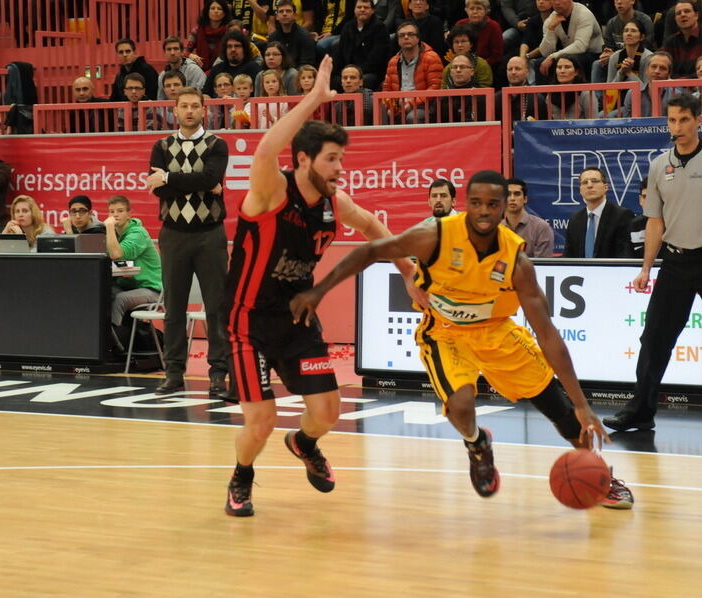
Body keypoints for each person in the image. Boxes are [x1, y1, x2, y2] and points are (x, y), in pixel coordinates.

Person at [289, 169, 634, 509]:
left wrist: (582, 403)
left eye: (493, 204)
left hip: (497, 332)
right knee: (461, 404)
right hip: (445, 333)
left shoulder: (517, 261)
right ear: (465, 204)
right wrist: (320, 290)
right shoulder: (434, 234)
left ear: (504, 209)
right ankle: (477, 443)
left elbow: (548, 334)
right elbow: (369, 251)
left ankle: (600, 476)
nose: (484, 211)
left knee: (558, 408)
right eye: (476, 203)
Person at [222, 56, 422, 517]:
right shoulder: (272, 190)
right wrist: (313, 98)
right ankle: (242, 477)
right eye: (331, 159)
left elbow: (373, 225)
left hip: (297, 320)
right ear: (304, 160)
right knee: (261, 421)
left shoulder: (336, 202)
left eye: (342, 159)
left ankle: (304, 443)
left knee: (328, 412)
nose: (339, 168)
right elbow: (265, 150)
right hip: (247, 321)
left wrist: (408, 273)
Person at [603, 93, 702, 439]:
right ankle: (641, 412)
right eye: (672, 121)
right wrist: (646, 268)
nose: (677, 127)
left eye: (684, 120)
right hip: (673, 263)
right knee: (654, 338)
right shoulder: (660, 165)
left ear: (698, 120)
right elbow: (655, 221)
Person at [147, 86, 231, 399]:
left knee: (216, 308)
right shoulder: (161, 145)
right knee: (174, 309)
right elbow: (158, 192)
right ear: (175, 110)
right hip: (173, 234)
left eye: (195, 106)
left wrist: (169, 178)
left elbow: (209, 178)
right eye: (184, 106)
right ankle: (173, 374)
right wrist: (197, 185)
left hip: (210, 234)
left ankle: (218, 375)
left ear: (204, 110)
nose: (190, 111)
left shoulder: (216, 145)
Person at [104, 195, 163, 332]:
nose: (115, 215)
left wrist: (109, 228)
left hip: (152, 289)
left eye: (120, 211)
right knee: (103, 293)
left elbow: (116, 254)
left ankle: (115, 342)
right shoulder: (114, 235)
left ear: (129, 214)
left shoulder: (138, 233)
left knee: (120, 299)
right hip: (129, 286)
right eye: (112, 212)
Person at [380, 21, 443, 124]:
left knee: (412, 117)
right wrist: (391, 105)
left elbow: (435, 87)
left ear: (418, 38)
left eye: (410, 34)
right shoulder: (393, 61)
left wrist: (412, 104)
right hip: (399, 105)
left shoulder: (431, 58)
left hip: (424, 105)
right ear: (398, 40)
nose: (406, 37)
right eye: (402, 35)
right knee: (379, 110)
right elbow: (386, 89)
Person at [563, 167, 634, 258]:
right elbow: (569, 255)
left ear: (606, 187)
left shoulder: (622, 216)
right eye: (585, 182)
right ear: (580, 190)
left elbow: (624, 255)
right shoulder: (575, 219)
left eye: (594, 181)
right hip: (579, 271)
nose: (589, 185)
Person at [536, 0, 603, 83]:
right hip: (568, 55)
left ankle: (581, 94)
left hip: (592, 54)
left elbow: (580, 46)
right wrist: (551, 29)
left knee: (572, 61)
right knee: (540, 63)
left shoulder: (584, 14)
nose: (557, 3)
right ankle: (546, 95)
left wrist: (553, 56)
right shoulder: (551, 19)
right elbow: (545, 52)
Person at [333, 0, 391, 90]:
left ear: (372, 11)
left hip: (370, 72)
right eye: (359, 7)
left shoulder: (380, 28)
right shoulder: (348, 27)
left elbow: (377, 59)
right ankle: (341, 104)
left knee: (365, 80)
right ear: (354, 10)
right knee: (335, 80)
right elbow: (340, 54)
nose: (362, 10)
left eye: (366, 7)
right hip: (348, 70)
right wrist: (344, 72)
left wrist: (356, 73)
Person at [659, 1, 702, 79]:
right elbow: (667, 70)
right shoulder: (671, 42)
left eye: (687, 11)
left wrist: (682, 81)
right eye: (678, 13)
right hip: (674, 87)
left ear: (696, 15)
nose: (683, 15)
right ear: (675, 19)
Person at [503, 177, 553, 257]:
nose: (512, 198)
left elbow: (543, 266)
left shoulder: (541, 228)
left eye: (517, 194)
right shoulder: (496, 230)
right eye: (508, 194)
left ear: (525, 199)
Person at [204, 30, 264, 96]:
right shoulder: (217, 69)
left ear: (244, 49)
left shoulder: (254, 68)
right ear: (225, 50)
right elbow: (205, 93)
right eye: (229, 46)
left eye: (237, 46)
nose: (233, 49)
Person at [621, 50, 676, 117]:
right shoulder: (632, 93)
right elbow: (627, 122)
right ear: (647, 70)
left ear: (668, 74)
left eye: (663, 68)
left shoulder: (675, 94)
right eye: (653, 66)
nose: (657, 71)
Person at [545, 55, 598, 119]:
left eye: (567, 67)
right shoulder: (550, 95)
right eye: (559, 67)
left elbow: (593, 122)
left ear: (576, 72)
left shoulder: (586, 93)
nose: (562, 71)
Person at [455, 0, 504, 69]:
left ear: (486, 11)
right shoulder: (460, 24)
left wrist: (476, 66)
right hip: (461, 66)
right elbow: (454, 49)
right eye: (472, 8)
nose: (475, 12)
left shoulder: (494, 27)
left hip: (486, 67)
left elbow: (496, 56)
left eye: (479, 8)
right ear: (466, 10)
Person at [186, 0, 233, 71]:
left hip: (224, 69)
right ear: (207, 12)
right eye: (212, 8)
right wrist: (190, 55)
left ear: (224, 13)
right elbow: (185, 51)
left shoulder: (229, 32)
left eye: (219, 9)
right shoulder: (196, 31)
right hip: (200, 69)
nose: (216, 11)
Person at [269, 0, 317, 68]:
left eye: (288, 11)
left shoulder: (305, 36)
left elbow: (306, 65)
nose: (284, 14)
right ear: (277, 17)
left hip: (299, 74)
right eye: (281, 11)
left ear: (295, 16)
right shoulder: (273, 37)